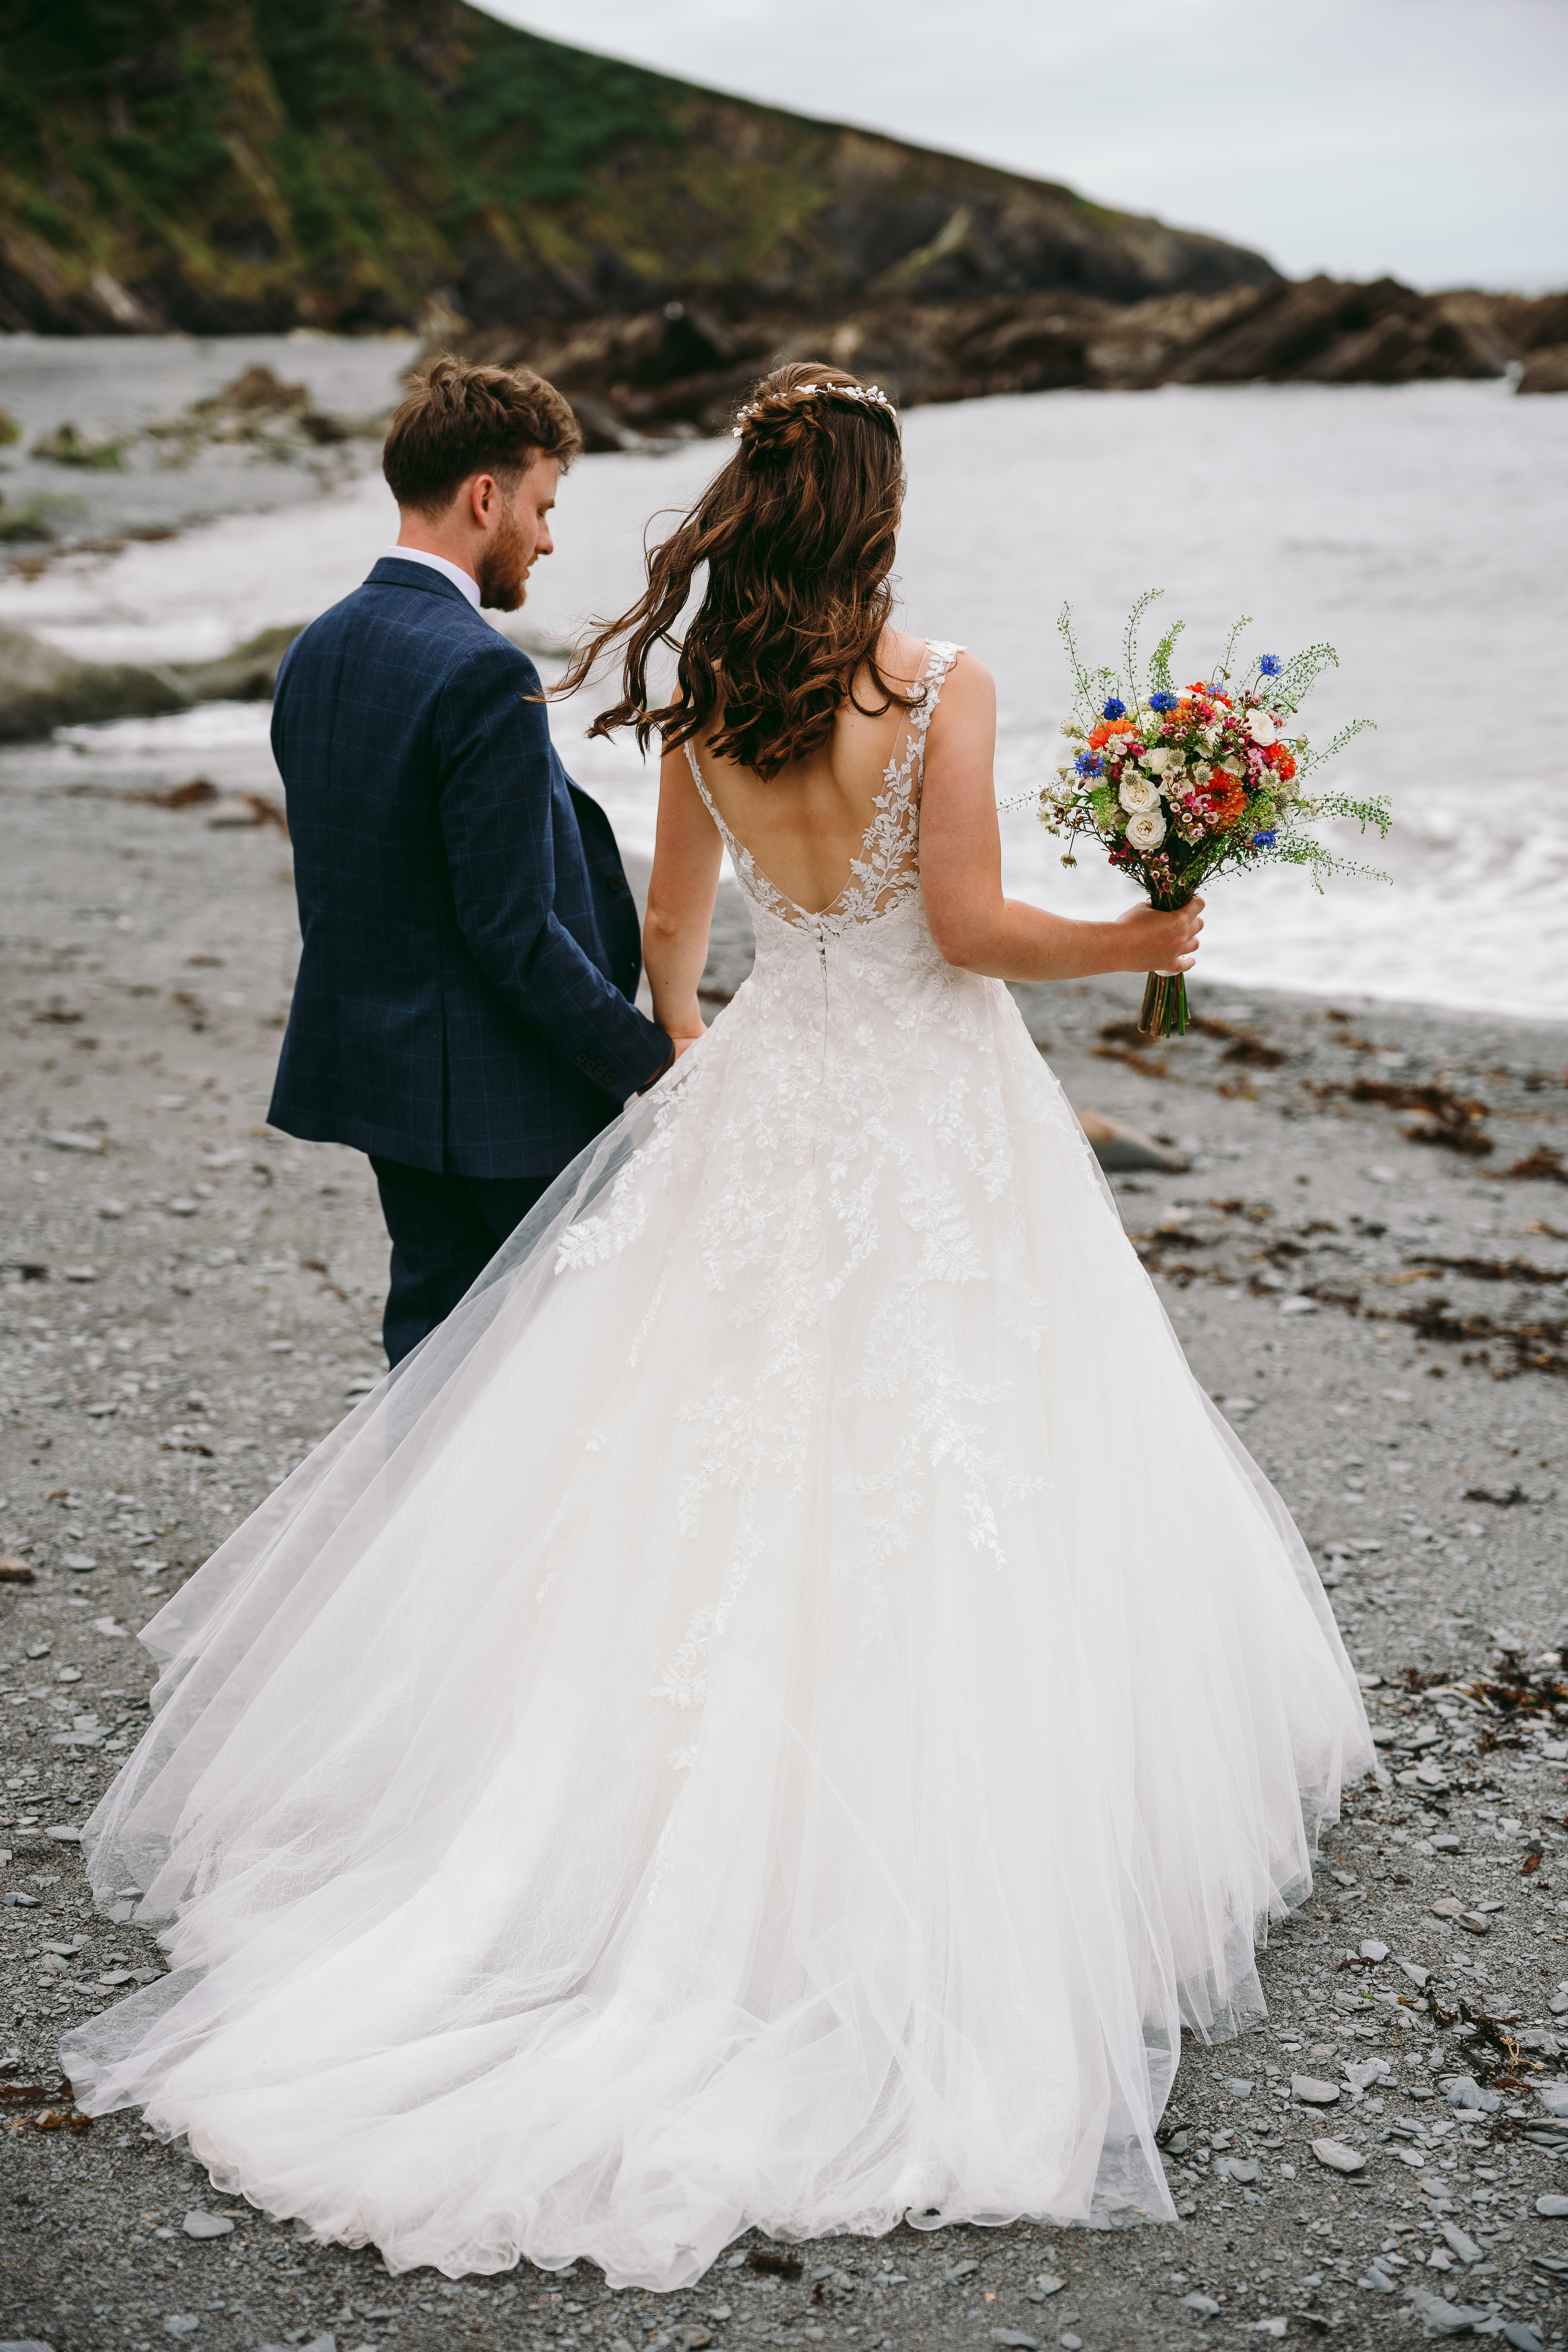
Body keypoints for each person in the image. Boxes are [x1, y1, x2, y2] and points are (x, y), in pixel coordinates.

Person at [64, 364, 1373, 2292]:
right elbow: (976, 926)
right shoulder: (937, 686)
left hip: (773, 1091)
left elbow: (671, 957)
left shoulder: (696, 714)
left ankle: (595, 1861)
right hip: (935, 1109)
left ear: (758, 514)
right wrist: (1138, 939)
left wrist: (722, 1094)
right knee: (979, 1436)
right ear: (880, 518)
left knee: (693, 1463)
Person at [266, 356, 672, 1365]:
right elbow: (514, 928)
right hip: (506, 1102)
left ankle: (398, 1527)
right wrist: (646, 1065)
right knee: (562, 1371)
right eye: (540, 505)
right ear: (485, 496)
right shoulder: (483, 668)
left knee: (434, 1359)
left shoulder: (315, 649)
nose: (547, 535)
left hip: (383, 1079)